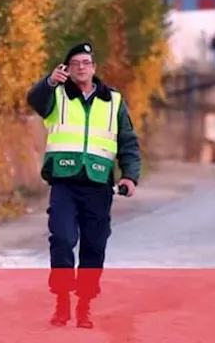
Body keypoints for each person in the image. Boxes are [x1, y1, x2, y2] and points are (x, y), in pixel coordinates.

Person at [26, 41, 142, 329]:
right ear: (67, 69)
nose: (81, 67)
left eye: (86, 63)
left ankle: (85, 305)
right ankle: (62, 301)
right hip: (64, 183)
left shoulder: (113, 100)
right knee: (63, 240)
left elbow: (127, 140)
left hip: (98, 184)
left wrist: (129, 175)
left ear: (94, 68)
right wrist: (49, 82)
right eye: (75, 63)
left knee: (94, 245)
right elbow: (35, 100)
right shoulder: (57, 97)